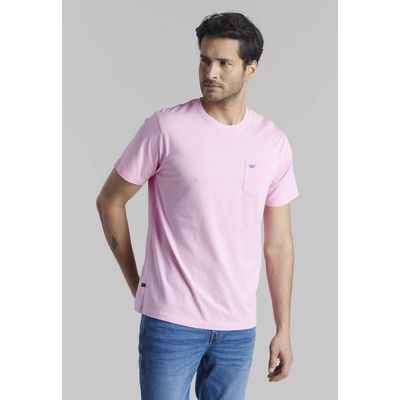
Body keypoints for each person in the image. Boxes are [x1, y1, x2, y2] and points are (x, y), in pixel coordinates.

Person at [96, 11, 300, 400]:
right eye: (205, 60)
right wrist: (139, 284)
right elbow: (110, 200)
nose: (210, 73)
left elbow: (279, 243)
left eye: (224, 63)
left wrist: (284, 329)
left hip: (238, 329)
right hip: (171, 322)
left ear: (251, 69)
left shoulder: (272, 142)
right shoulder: (166, 128)